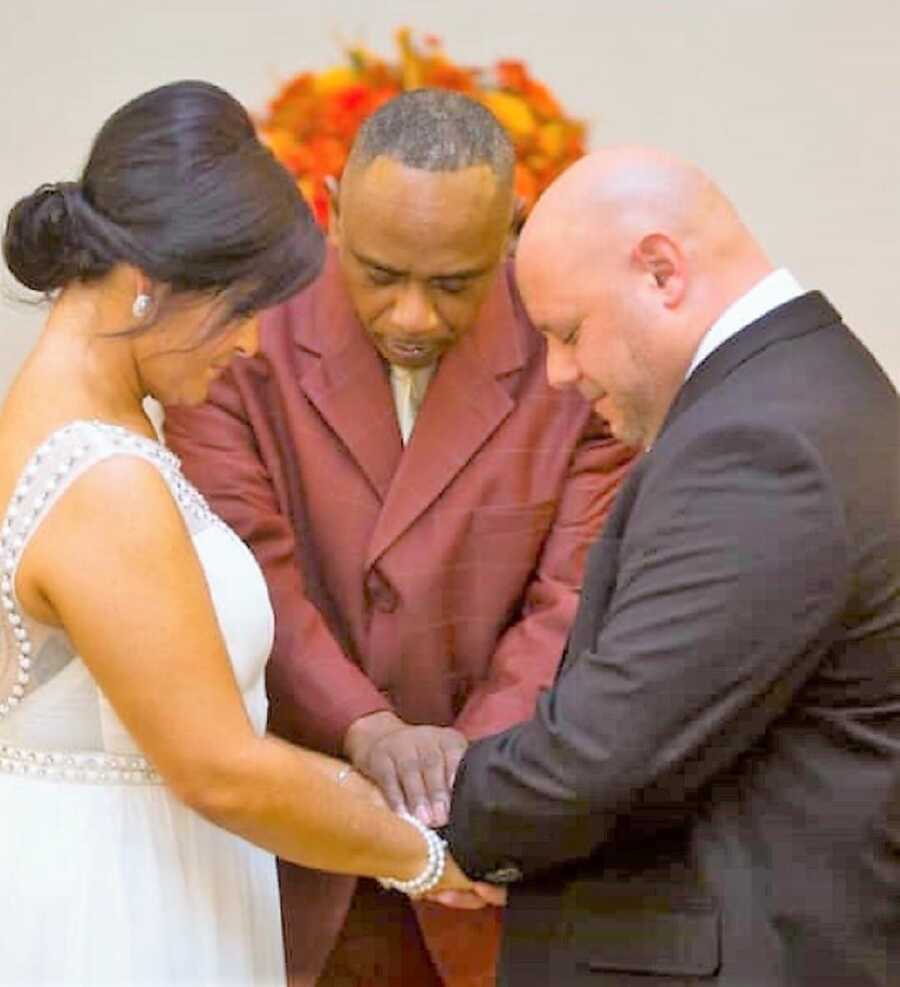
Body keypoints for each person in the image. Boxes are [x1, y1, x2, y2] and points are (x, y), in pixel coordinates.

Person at [0, 79, 500, 987]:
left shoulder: (93, 426)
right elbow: (219, 766)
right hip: (116, 911)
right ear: (152, 286)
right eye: (240, 311)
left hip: (153, 875)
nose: (253, 348)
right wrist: (424, 857)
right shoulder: (101, 474)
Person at [164, 89, 635, 986]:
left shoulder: (574, 355)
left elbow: (577, 594)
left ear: (513, 230)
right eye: (380, 272)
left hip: (494, 874)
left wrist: (467, 753)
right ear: (332, 210)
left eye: (453, 282)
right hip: (290, 862)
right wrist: (367, 725)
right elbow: (245, 562)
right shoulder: (237, 338)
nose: (413, 316)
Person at [441, 144, 900, 985]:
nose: (560, 372)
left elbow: (605, 752)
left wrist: (452, 807)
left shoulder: (758, 444)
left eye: (568, 332)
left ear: (661, 270)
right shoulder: (813, 390)